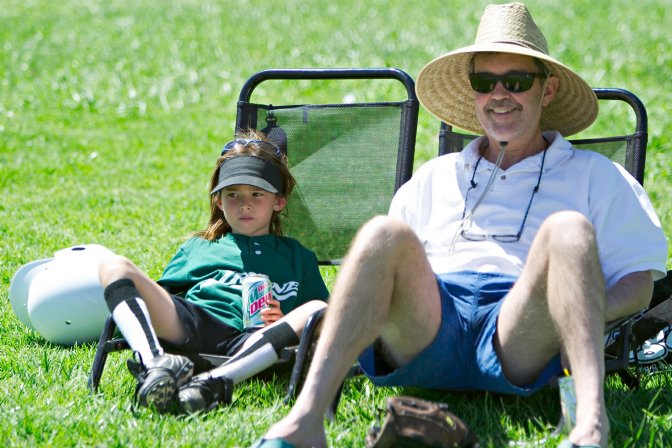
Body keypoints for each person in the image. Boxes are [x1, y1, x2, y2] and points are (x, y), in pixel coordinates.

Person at [256, 3, 668, 448]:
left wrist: (573, 316)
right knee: (382, 232)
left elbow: (638, 284)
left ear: (546, 91)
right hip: (430, 323)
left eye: (517, 81)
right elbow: (382, 276)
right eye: (484, 82)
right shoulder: (436, 175)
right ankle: (304, 421)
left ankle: (590, 427)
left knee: (567, 227)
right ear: (473, 92)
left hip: (521, 327)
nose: (499, 94)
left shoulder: (596, 174)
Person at [98, 130, 329, 414]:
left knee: (318, 308)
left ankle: (215, 382)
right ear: (219, 200)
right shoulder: (200, 247)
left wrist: (285, 323)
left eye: (257, 194)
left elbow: (325, 321)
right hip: (194, 326)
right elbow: (162, 299)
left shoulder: (297, 257)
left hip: (254, 341)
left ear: (278, 201)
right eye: (233, 194)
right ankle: (155, 364)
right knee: (114, 265)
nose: (245, 203)